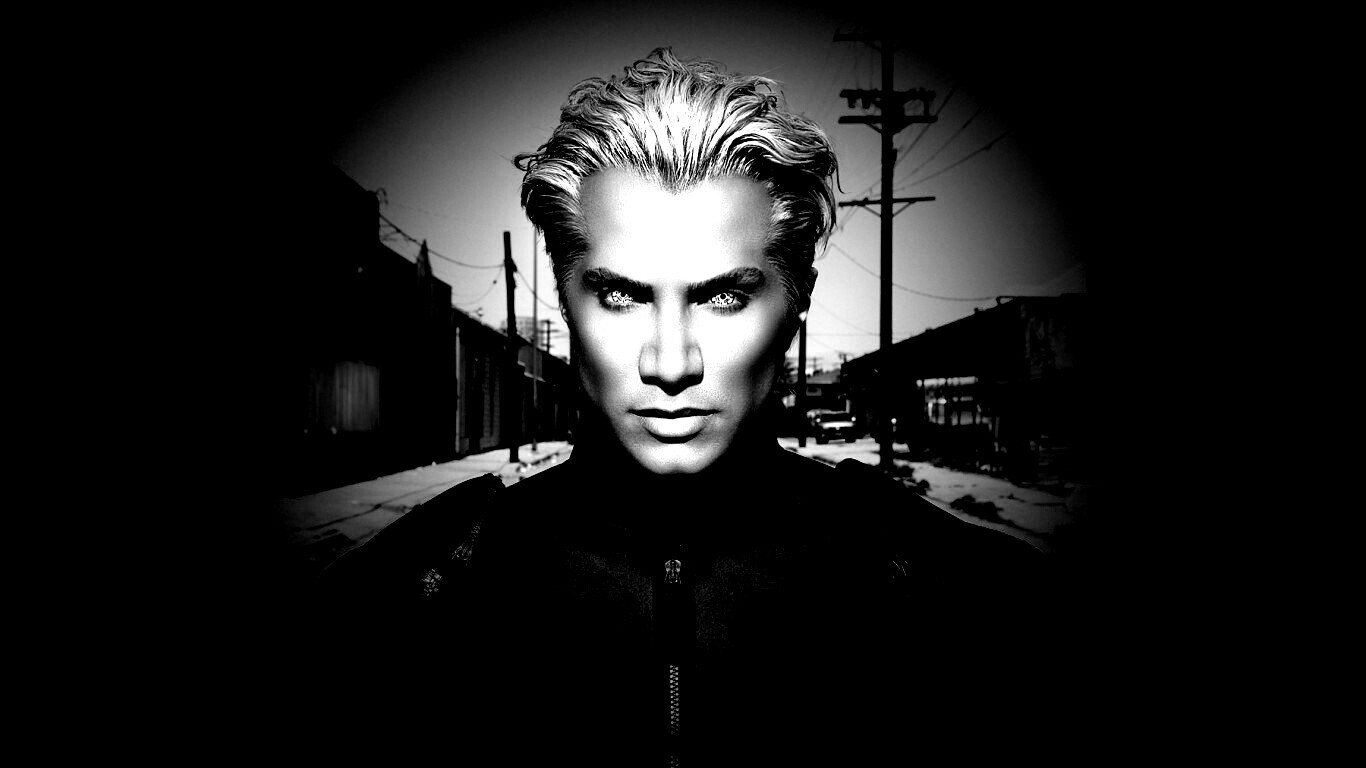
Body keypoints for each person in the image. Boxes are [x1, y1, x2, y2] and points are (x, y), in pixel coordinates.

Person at [316, 48, 1058, 764]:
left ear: (797, 301)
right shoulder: (419, 587)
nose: (670, 364)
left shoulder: (954, 590)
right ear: (566, 302)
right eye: (620, 294)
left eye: (724, 295)